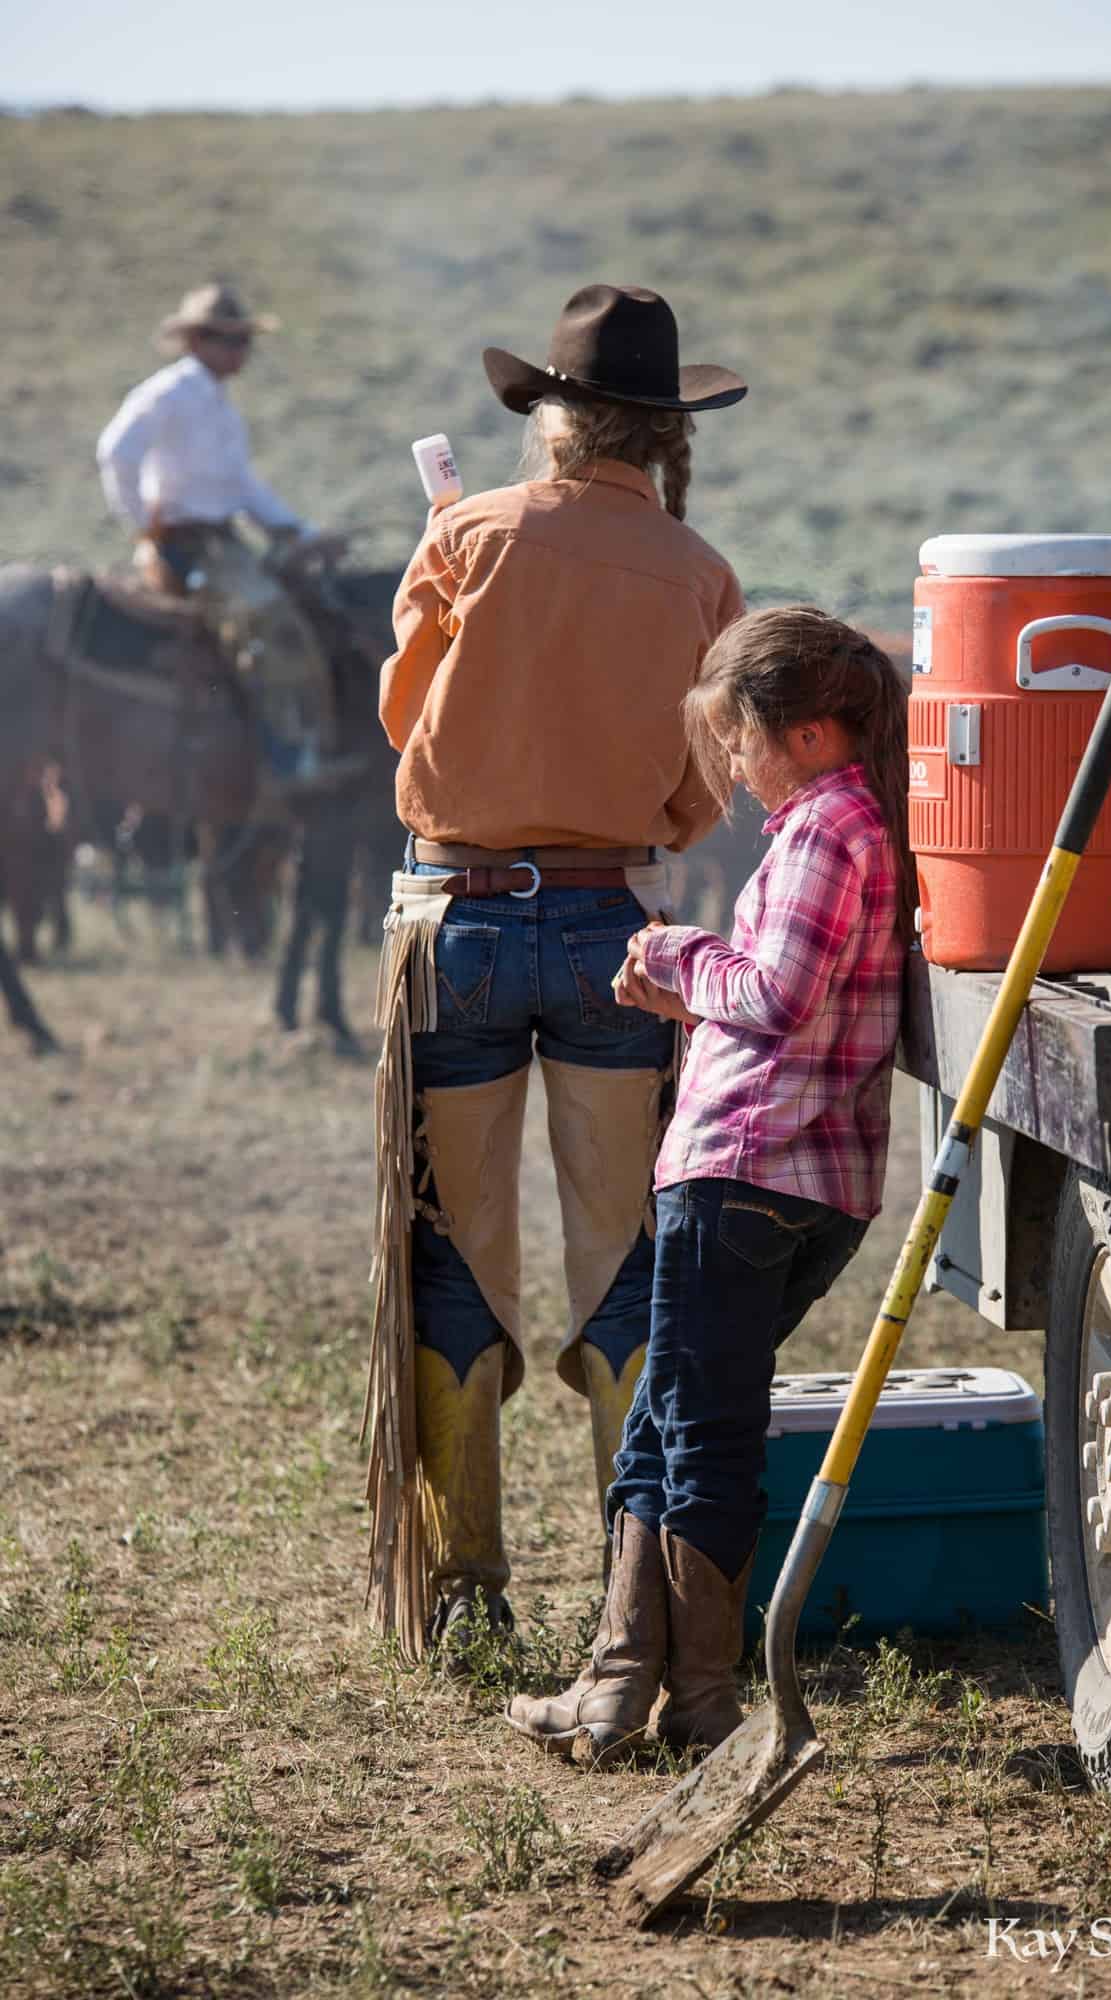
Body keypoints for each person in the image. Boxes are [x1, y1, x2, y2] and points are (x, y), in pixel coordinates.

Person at [366, 283, 747, 1663]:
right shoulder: (698, 573)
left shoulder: (465, 535)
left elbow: (401, 724)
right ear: (660, 434)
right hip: (615, 938)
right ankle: (628, 1587)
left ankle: (467, 1586)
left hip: (457, 926)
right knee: (626, 1259)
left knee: (454, 1246)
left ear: (551, 421)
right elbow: (711, 779)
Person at [507, 606, 912, 1763]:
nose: (730, 762)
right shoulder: (850, 821)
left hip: (745, 1167)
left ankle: (696, 1698)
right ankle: (614, 1682)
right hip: (799, 1174)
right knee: (669, 1407)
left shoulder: (825, 829)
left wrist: (674, 952)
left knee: (699, 1423)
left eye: (738, 736)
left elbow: (776, 996)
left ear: (810, 730)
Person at [96, 282, 341, 782]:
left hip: (220, 542)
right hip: (186, 545)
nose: (240, 351)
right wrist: (145, 528)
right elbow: (115, 452)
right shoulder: (170, 393)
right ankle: (288, 757)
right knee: (265, 617)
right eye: (228, 340)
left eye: (242, 340)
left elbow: (241, 485)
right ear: (197, 341)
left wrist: (297, 530)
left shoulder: (215, 403)